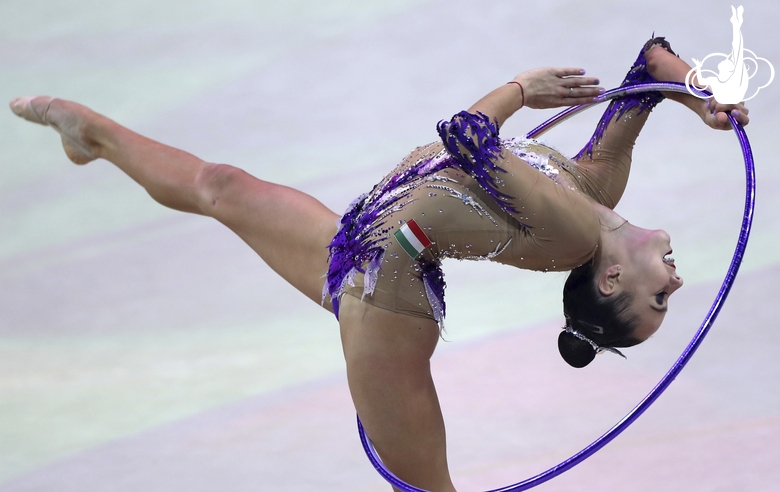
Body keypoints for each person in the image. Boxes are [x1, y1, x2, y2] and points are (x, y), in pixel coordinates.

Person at [9, 37, 748, 491]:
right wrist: (699, 94)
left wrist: (522, 92)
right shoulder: (596, 188)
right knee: (221, 185)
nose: (677, 284)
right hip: (362, 244)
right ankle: (90, 133)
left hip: (388, 301)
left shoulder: (567, 231)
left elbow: (467, 136)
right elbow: (649, 64)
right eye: (668, 301)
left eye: (660, 303)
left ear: (610, 280)